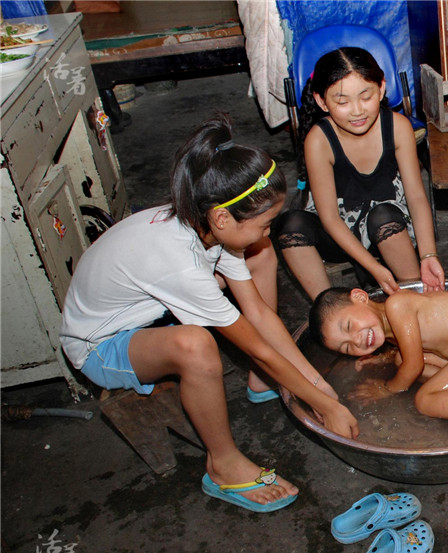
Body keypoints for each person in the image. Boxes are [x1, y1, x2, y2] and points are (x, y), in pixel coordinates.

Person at [59, 113, 359, 513]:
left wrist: (315, 383)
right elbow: (259, 347)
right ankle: (223, 465)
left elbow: (257, 313)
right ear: (222, 217)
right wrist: (329, 407)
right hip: (99, 344)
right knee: (196, 346)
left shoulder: (208, 223)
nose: (270, 230)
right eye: (266, 223)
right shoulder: (179, 261)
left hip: (147, 309)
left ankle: (260, 384)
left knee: (261, 255)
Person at [272, 47, 444, 300]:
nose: (357, 111)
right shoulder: (318, 140)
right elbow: (330, 219)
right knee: (289, 225)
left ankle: (417, 297)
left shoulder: (398, 127)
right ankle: (332, 310)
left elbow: (417, 196)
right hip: (338, 234)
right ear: (322, 102)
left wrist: (429, 255)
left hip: (388, 228)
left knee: (383, 216)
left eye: (366, 96)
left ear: (382, 88)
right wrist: (374, 268)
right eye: (342, 102)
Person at [309, 287, 448, 433]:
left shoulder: (397, 305)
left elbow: (414, 366)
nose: (356, 340)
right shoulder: (390, 328)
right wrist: (382, 358)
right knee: (400, 359)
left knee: (424, 399)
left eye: (348, 326)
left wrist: (386, 389)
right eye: (347, 347)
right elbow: (409, 354)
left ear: (361, 297)